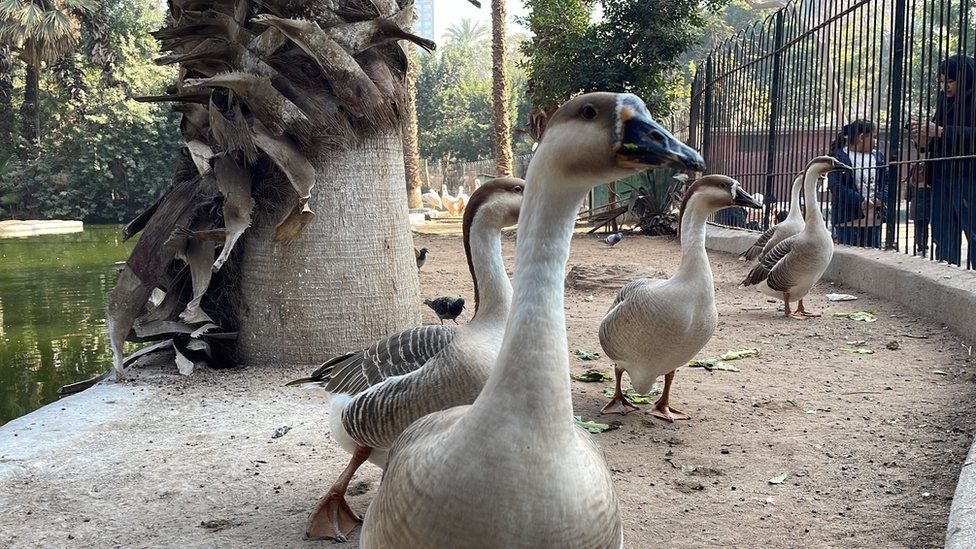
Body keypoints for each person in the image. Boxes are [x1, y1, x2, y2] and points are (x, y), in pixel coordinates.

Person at [911, 54, 976, 267]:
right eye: (941, 81)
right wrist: (922, 139)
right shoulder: (943, 101)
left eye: (950, 81)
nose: (945, 86)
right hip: (941, 176)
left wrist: (941, 131)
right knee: (942, 234)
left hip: (968, 176)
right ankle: (946, 278)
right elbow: (935, 137)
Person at [827, 119, 887, 247]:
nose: (876, 141)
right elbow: (835, 185)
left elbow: (888, 183)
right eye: (874, 137)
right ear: (861, 137)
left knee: (873, 258)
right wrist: (860, 200)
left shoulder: (878, 157)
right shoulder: (839, 156)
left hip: (874, 220)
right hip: (848, 220)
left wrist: (880, 197)